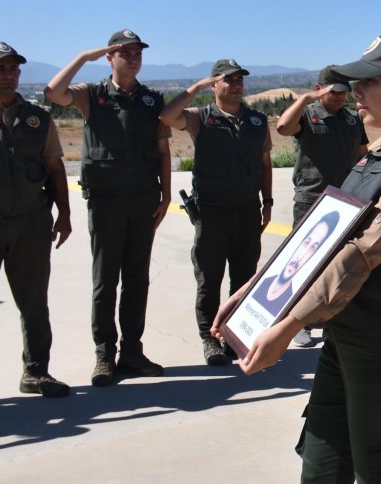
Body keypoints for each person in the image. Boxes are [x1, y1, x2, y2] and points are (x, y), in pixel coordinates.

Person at [212, 32, 381, 483]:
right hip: (344, 338)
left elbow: (358, 255)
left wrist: (288, 325)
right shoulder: (378, 156)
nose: (356, 91)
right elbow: (317, 238)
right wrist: (253, 293)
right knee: (321, 467)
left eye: (369, 80)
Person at [44, 29, 171, 387]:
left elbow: (163, 151)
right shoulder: (92, 95)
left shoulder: (152, 100)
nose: (132, 58)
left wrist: (166, 195)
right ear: (110, 58)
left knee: (136, 281)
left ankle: (132, 351)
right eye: (124, 53)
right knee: (105, 282)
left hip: (143, 200)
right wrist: (84, 56)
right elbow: (53, 92)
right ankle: (104, 355)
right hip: (106, 202)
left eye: (137, 53)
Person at [160, 59, 272, 366]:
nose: (236, 84)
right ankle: (210, 338)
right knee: (209, 279)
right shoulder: (201, 117)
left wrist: (269, 202)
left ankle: (235, 336)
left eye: (239, 80)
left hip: (248, 210)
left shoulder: (257, 121)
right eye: (228, 79)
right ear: (214, 85)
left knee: (244, 277)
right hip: (212, 212)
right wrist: (194, 88)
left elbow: (265, 164)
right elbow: (168, 116)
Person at [275, 65, 368, 346]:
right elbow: (282, 127)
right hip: (311, 199)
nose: (341, 98)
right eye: (335, 93)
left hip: (346, 202)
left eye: (344, 93)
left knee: (337, 267)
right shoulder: (307, 115)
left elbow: (364, 155)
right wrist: (304, 100)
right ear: (320, 90)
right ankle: (296, 322)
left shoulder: (353, 120)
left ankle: (330, 321)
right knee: (302, 264)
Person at [0, 41, 73, 397]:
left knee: (33, 302)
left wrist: (65, 213)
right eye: (2, 68)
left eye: (13, 68)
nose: (9, 74)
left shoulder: (36, 118)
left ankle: (36, 372)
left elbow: (55, 166)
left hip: (30, 221)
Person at [250, 210, 340, 316]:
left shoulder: (292, 305)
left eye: (313, 248)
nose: (301, 256)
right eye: (306, 243)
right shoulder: (260, 284)